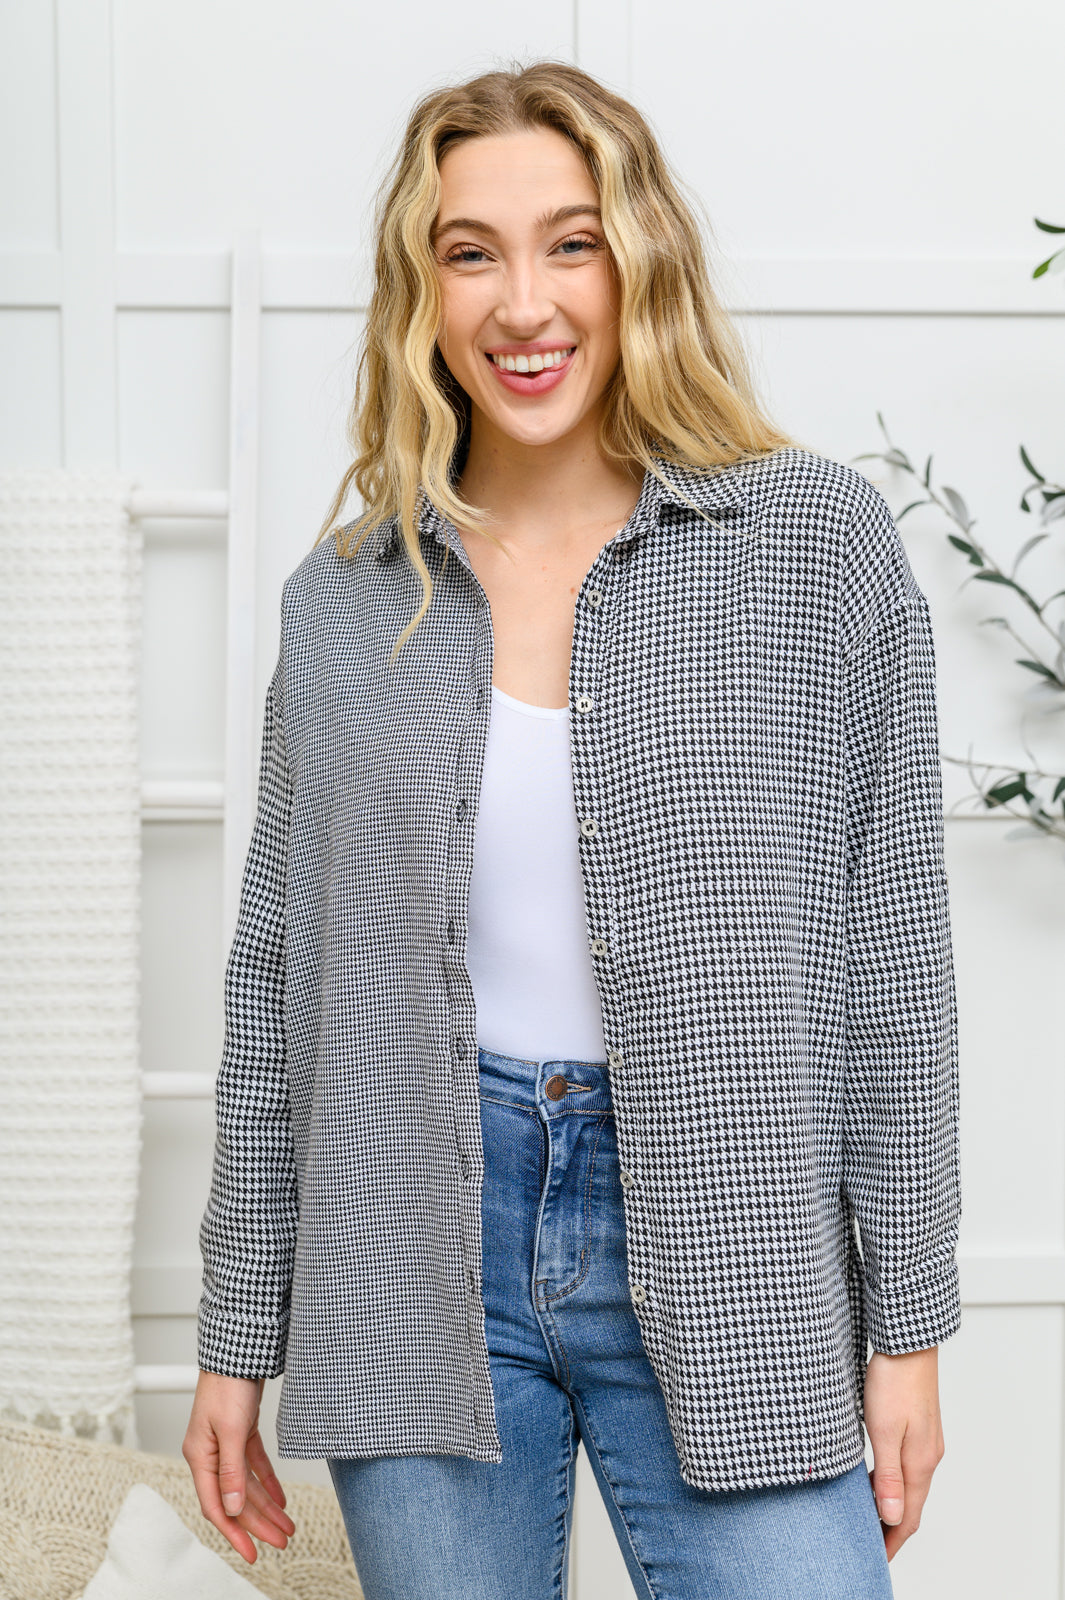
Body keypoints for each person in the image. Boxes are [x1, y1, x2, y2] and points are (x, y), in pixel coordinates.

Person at [183, 59, 961, 1600]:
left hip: (734, 1230)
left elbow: (892, 965)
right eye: (469, 252)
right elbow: (275, 985)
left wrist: (909, 1328)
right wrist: (234, 1335)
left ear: (639, 262)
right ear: (421, 290)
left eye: (571, 244)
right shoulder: (344, 598)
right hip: (413, 1242)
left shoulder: (811, 543)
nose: (522, 304)